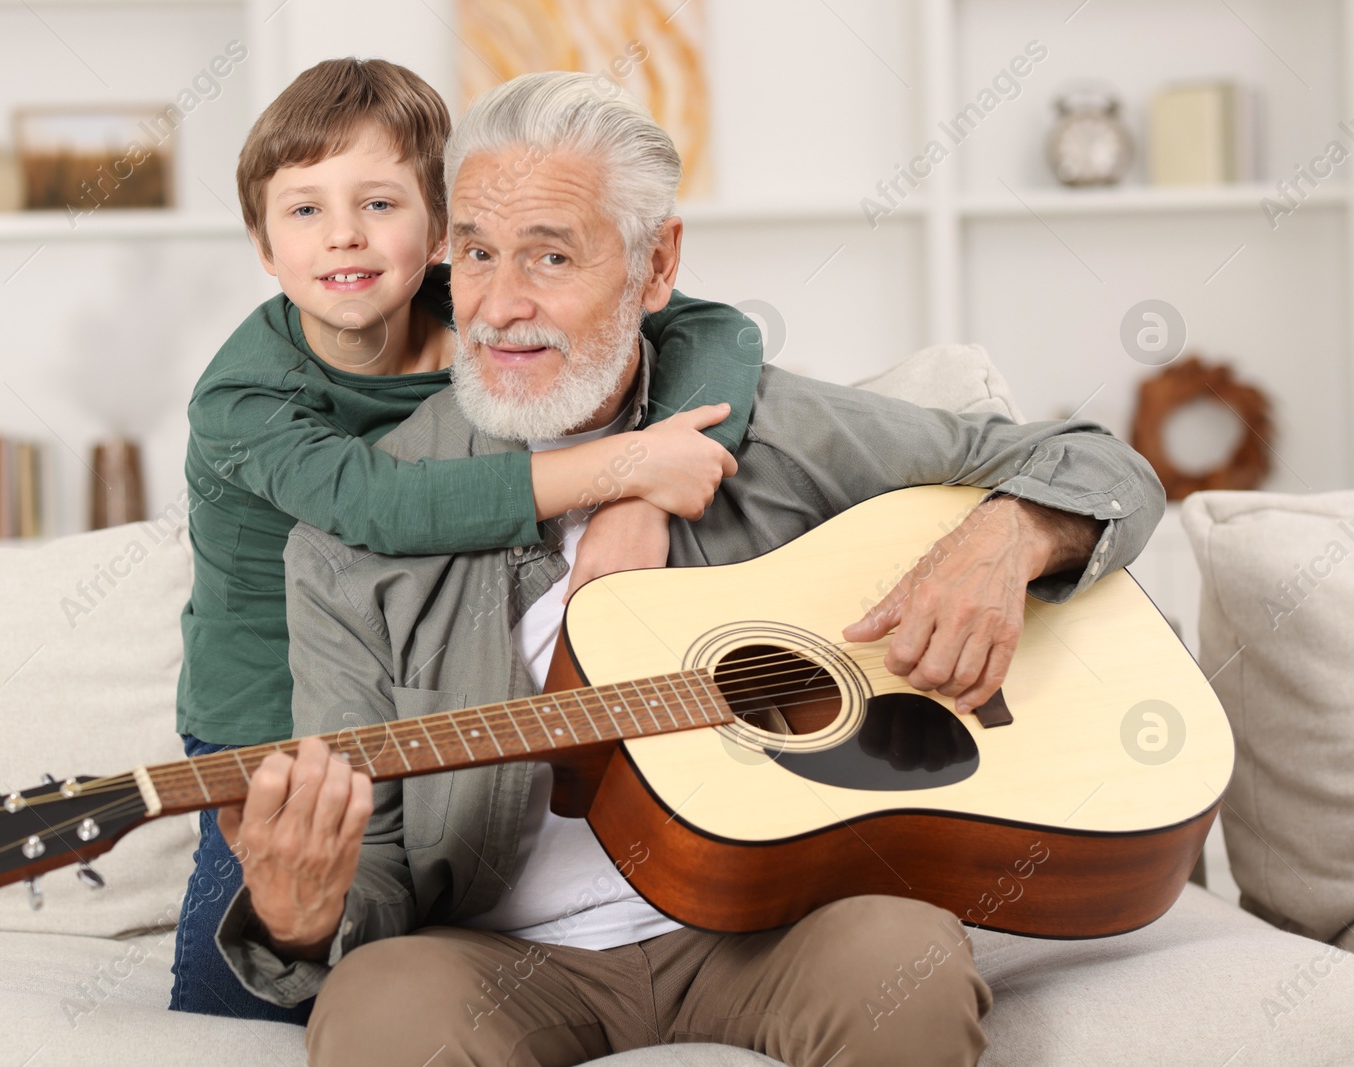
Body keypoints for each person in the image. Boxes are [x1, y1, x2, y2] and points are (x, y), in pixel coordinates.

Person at [214, 72, 1165, 1065]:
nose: (500, 306)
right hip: (500, 953)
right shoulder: (346, 544)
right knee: (376, 1007)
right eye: (479, 255)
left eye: (550, 255)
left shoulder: (781, 430)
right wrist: (302, 915)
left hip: (774, 923)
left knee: (905, 962)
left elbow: (1101, 466)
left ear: (655, 262)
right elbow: (369, 869)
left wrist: (1006, 540)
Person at [169, 58, 762, 1022]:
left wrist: (648, 502)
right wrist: (624, 471)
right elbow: (383, 508)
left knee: (410, 949)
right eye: (304, 211)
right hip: (268, 718)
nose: (345, 237)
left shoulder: (482, 305)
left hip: (417, 687)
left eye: (379, 203)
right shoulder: (242, 399)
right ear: (262, 245)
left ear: (440, 228)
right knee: (252, 991)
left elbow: (718, 333)